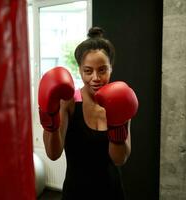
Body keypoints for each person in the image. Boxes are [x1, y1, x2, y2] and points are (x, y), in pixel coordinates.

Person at [38, 27, 138, 199]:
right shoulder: (69, 102)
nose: (95, 78)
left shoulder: (121, 100)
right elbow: (53, 154)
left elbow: (119, 159)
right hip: (76, 192)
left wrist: (116, 125)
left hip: (111, 192)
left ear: (111, 68)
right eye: (88, 70)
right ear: (80, 70)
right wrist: (50, 118)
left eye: (102, 70)